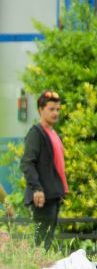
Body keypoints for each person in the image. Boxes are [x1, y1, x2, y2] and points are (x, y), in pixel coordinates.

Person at [21, 90, 68, 249]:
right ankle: (34, 265)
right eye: (51, 109)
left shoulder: (53, 133)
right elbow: (27, 163)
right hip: (42, 196)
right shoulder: (36, 133)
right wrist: (37, 189)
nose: (55, 113)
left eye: (58, 109)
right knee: (40, 242)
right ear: (40, 109)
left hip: (53, 195)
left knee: (46, 241)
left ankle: (40, 264)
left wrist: (60, 190)